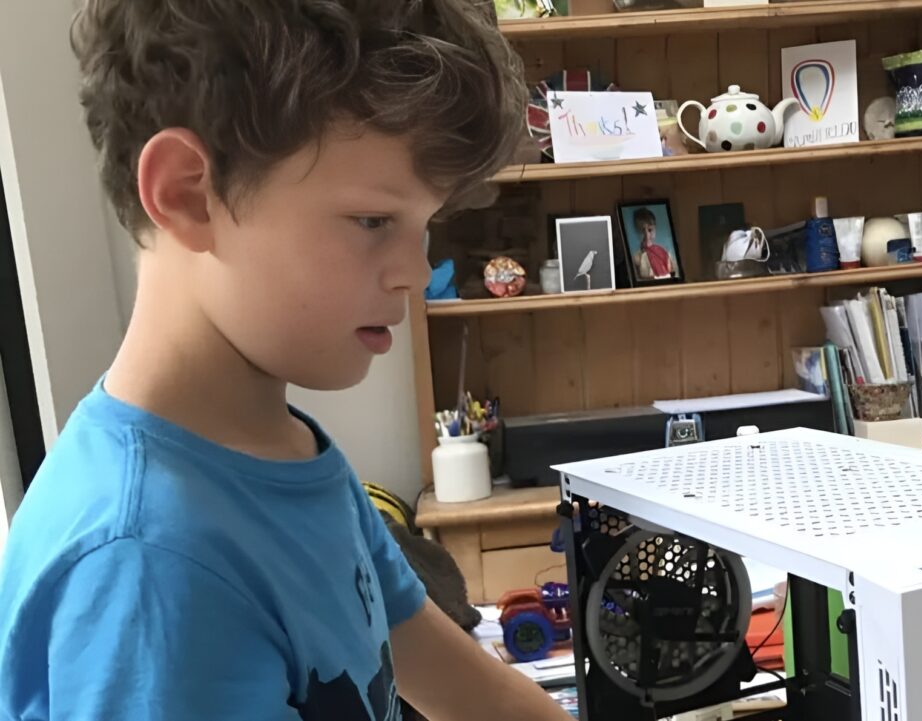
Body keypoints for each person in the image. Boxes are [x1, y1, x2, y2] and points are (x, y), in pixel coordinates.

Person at [0, 2, 572, 720]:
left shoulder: (288, 452)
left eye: (423, 227)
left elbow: (474, 694)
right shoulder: (148, 562)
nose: (415, 272)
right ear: (188, 195)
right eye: (373, 220)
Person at [631, 207, 679, 280]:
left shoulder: (665, 253)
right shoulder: (636, 257)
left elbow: (675, 274)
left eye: (650, 230)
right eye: (642, 230)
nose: (647, 235)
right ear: (637, 232)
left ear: (655, 229)